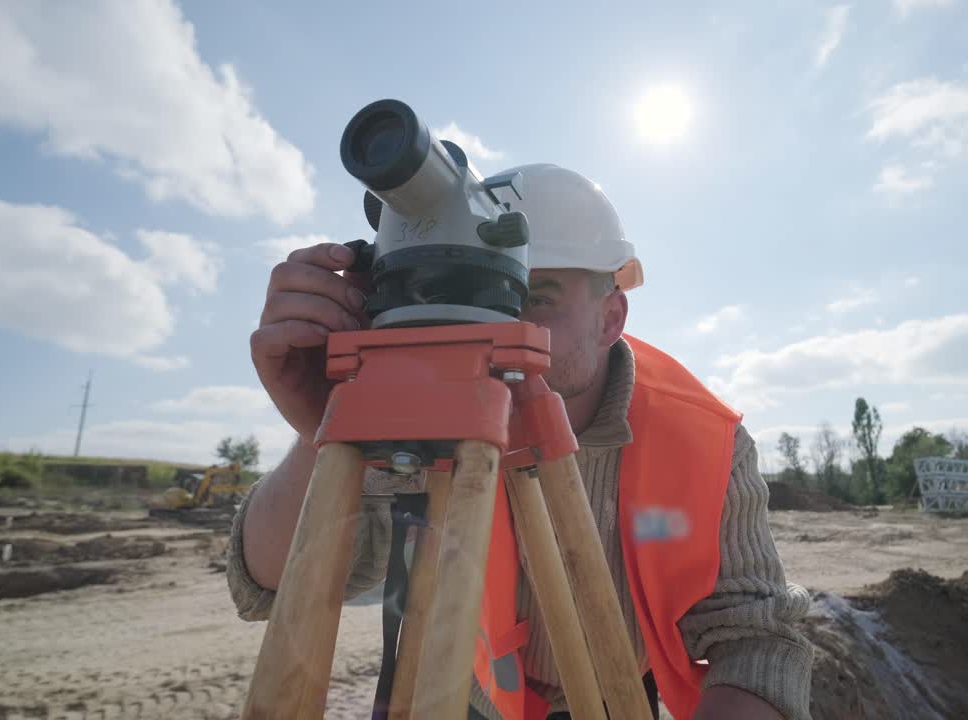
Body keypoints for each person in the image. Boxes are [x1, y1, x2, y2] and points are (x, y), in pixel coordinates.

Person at [227, 163, 814, 720]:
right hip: (466, 695)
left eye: (536, 298)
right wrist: (323, 429)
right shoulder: (438, 410)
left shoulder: (705, 440)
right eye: (495, 297)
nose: (504, 331)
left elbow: (758, 639)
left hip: (614, 695)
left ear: (610, 319)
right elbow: (271, 589)